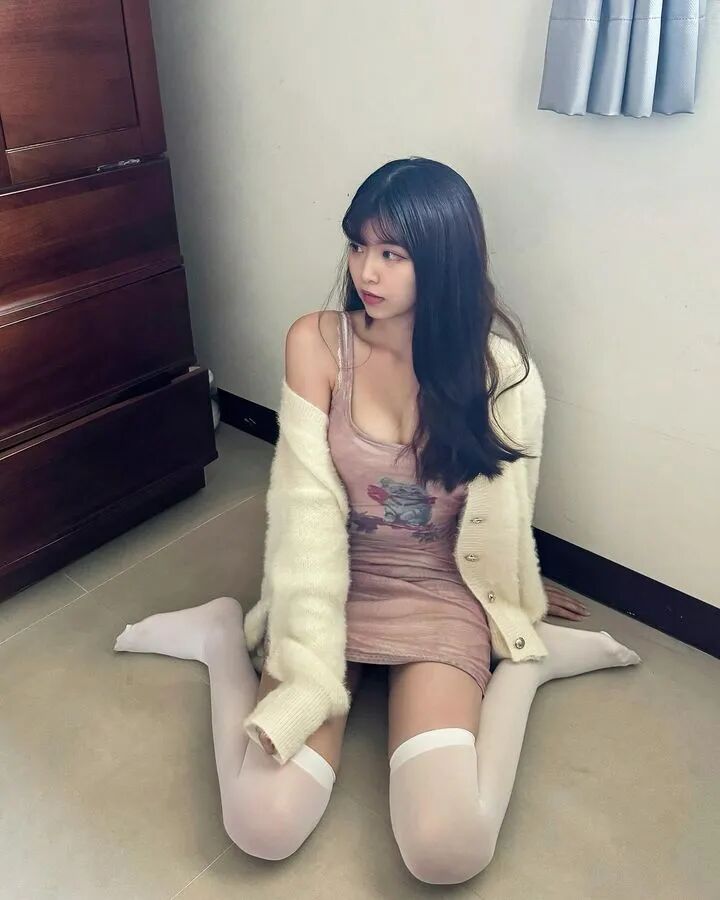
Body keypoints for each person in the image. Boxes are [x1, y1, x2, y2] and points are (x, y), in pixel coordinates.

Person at [113, 157, 641, 885]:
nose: (367, 270)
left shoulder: (501, 371)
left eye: (393, 253)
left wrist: (513, 595)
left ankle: (530, 669)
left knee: (446, 850)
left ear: (444, 259)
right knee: (261, 824)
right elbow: (303, 506)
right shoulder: (317, 342)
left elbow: (508, 505)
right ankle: (218, 638)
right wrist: (298, 635)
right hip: (332, 585)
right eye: (359, 245)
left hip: (441, 592)